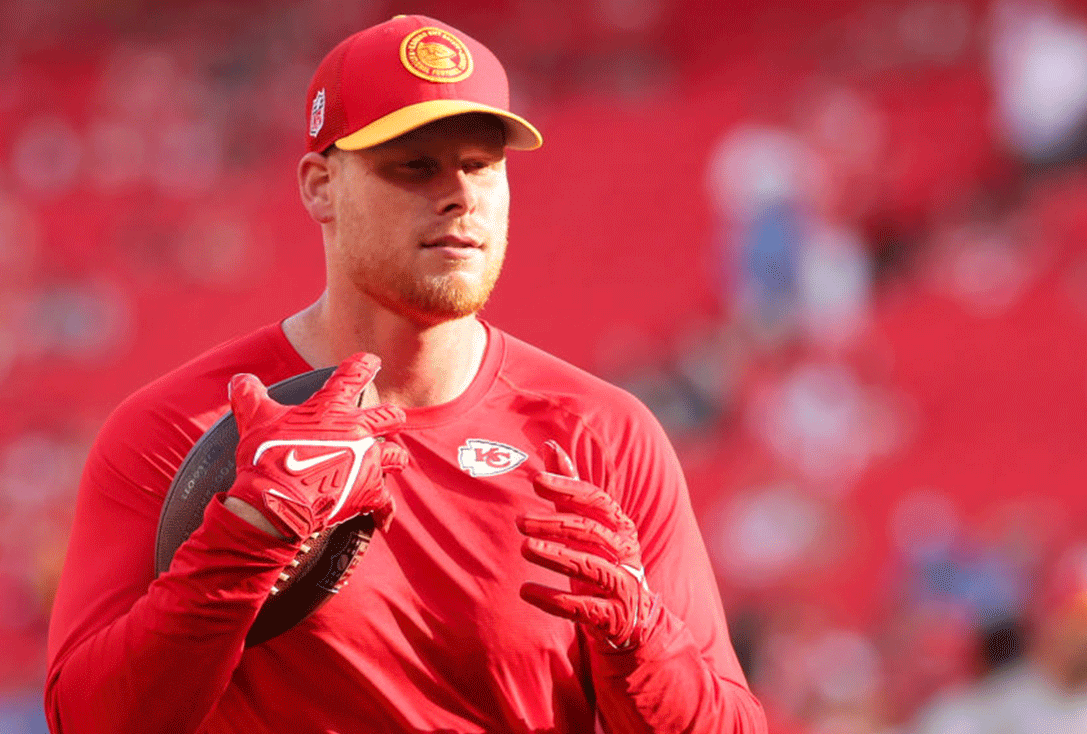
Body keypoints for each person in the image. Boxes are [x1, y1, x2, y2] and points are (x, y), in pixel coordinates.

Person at [45, 14, 765, 733]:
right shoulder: (186, 430)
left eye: (482, 164)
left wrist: (644, 647)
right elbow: (86, 720)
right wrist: (248, 534)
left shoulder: (604, 437)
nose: (460, 194)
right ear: (321, 187)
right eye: (415, 165)